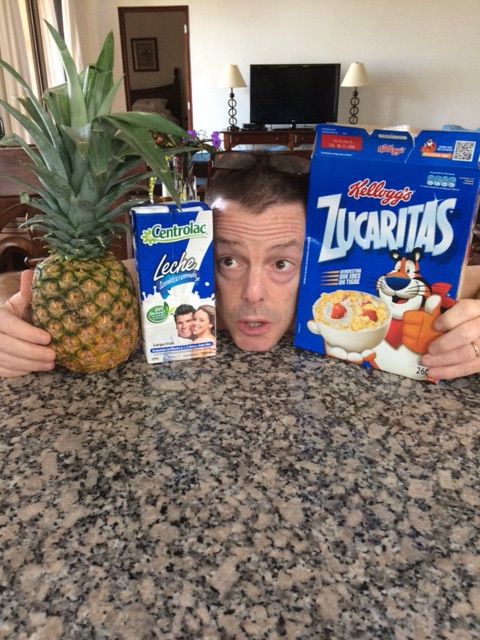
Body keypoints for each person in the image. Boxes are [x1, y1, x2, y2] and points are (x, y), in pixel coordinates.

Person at [0, 162, 479, 380]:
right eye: (228, 261)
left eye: (282, 264)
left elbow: (469, 283)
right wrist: (16, 323)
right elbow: (59, 296)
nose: (253, 294)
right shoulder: (156, 283)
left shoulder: (354, 290)